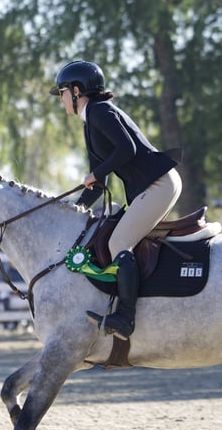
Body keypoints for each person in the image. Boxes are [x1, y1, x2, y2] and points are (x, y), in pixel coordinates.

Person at [50, 60, 182, 340]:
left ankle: (125, 318)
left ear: (76, 91)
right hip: (152, 186)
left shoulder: (100, 111)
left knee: (118, 242)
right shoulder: (91, 123)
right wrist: (75, 209)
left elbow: (127, 148)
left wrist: (95, 172)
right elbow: (99, 184)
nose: (60, 100)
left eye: (61, 92)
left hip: (160, 184)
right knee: (111, 236)